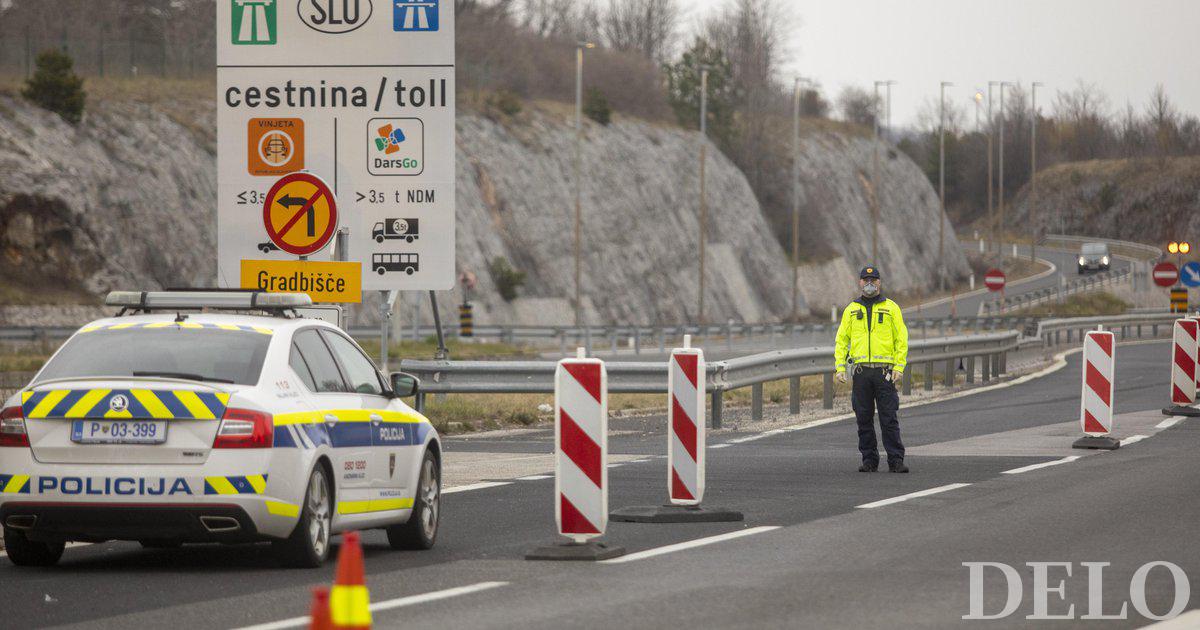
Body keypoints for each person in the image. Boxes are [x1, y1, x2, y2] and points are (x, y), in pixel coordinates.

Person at [833, 266, 910, 473]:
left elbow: (901, 340)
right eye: (865, 280)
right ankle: (869, 460)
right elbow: (841, 340)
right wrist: (840, 367)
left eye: (873, 280)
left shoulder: (891, 308)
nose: (869, 284)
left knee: (888, 417)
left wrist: (899, 367)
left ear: (879, 282)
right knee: (863, 418)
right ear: (860, 283)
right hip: (861, 374)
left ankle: (895, 460)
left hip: (884, 372)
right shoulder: (851, 309)